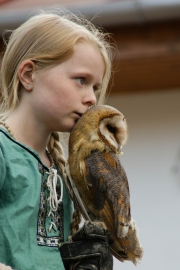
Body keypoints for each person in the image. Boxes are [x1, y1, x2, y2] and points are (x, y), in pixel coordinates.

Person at [0, 9, 114, 270]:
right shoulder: (3, 151)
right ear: (29, 75)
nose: (92, 99)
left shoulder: (61, 169)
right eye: (81, 80)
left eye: (95, 87)